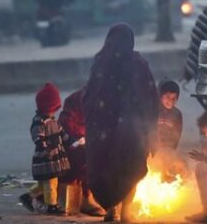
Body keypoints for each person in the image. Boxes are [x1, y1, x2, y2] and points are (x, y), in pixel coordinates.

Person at [84, 23, 159, 222]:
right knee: (129, 171)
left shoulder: (101, 61)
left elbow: (90, 96)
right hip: (131, 132)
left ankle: (112, 211)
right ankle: (125, 212)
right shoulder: (138, 63)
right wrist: (150, 131)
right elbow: (151, 98)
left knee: (108, 170)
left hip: (105, 132)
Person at [19, 82, 71, 215]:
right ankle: (51, 206)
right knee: (50, 183)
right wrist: (45, 147)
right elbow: (37, 137)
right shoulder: (39, 121)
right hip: (46, 158)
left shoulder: (53, 120)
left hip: (54, 158)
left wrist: (70, 140)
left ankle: (28, 196)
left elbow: (62, 133)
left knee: (45, 183)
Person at [59, 88, 107, 217]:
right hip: (70, 153)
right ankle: (76, 201)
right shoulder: (68, 119)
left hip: (81, 144)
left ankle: (87, 199)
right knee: (79, 163)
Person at [157, 80, 183, 151]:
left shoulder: (177, 114)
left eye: (174, 98)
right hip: (151, 149)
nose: (171, 101)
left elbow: (176, 136)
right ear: (160, 96)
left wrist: (171, 152)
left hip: (167, 150)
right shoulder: (152, 110)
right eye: (168, 97)